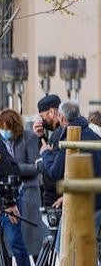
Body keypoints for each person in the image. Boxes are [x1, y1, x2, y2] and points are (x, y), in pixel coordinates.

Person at [35, 95, 101, 224]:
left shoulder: (70, 138)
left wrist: (46, 154)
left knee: (65, 243)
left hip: (85, 205)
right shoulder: (91, 133)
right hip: (91, 199)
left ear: (60, 116)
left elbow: (55, 172)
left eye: (43, 117)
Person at [0, 108, 42, 266]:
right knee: (10, 241)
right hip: (6, 194)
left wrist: (10, 169)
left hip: (26, 192)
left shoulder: (29, 138)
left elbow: (36, 167)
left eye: (8, 128)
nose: (4, 132)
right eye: (1, 128)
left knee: (31, 240)